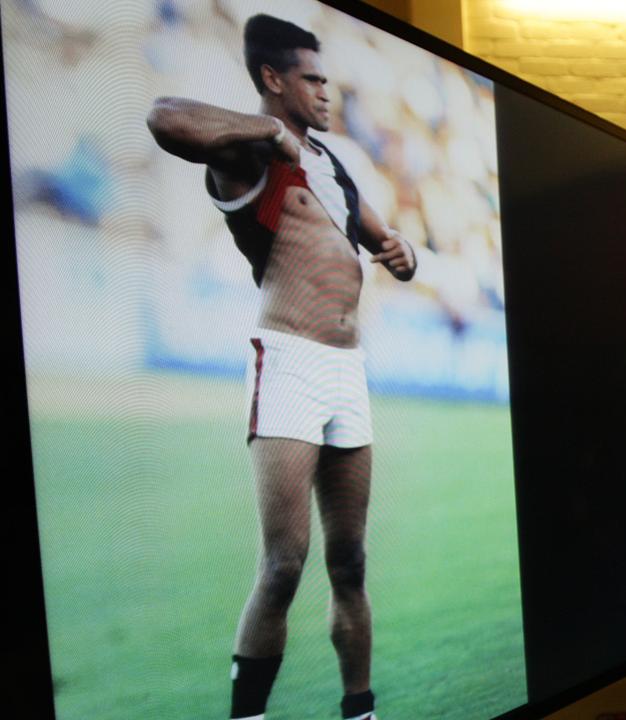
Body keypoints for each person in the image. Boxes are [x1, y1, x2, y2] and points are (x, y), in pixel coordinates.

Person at [147, 14, 416, 720]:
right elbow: (164, 117)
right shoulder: (251, 155)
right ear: (273, 79)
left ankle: (360, 709)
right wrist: (265, 130)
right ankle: (249, 717)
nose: (327, 92)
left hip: (347, 369)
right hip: (288, 360)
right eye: (312, 79)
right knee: (285, 562)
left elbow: (387, 239)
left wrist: (402, 253)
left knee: (350, 562)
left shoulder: (332, 167)